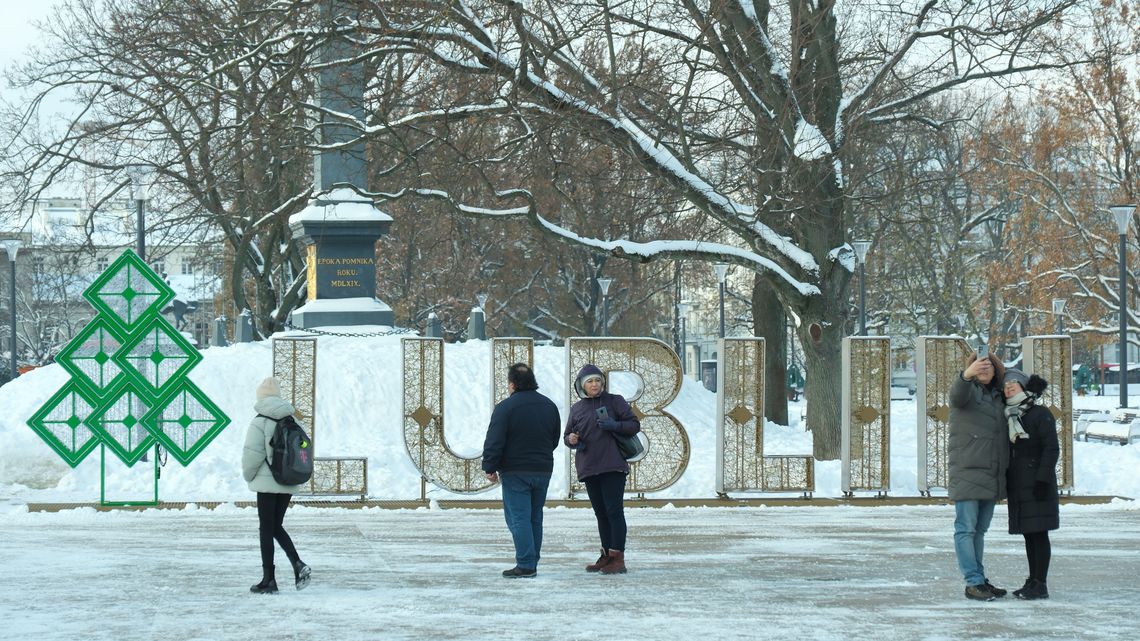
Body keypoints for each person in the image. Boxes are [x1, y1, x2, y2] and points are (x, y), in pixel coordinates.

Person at [481, 363, 561, 578]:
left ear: (512, 384)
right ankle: (532, 560)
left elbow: (495, 439)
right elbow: (554, 438)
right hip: (543, 469)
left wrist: (490, 466)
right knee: (535, 516)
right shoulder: (549, 406)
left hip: (515, 471)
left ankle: (525, 564)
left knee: (518, 518)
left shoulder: (506, 407)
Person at [564, 364, 641, 574]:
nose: (594, 384)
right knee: (601, 513)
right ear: (581, 386)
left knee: (614, 511)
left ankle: (618, 558)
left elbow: (634, 425)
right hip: (589, 467)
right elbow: (567, 436)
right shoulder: (577, 408)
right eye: (589, 381)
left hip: (612, 465)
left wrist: (614, 425)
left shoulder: (615, 401)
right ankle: (606, 555)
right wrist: (571, 439)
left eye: (597, 380)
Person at [948, 352, 1009, 601]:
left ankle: (980, 579)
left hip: (991, 473)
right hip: (968, 470)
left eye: (989, 366)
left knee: (979, 531)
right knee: (965, 529)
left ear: (996, 371)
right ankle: (972, 581)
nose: (984, 369)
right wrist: (966, 375)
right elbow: (956, 395)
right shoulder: (967, 391)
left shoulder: (998, 397)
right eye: (979, 365)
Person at [242, 377, 311, 594]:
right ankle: (297, 564)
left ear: (260, 397)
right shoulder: (292, 420)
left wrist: (249, 476)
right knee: (275, 526)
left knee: (266, 528)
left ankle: (268, 580)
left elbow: (252, 455)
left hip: (266, 482)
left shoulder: (259, 421)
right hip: (288, 479)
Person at [1001, 368, 1059, 600]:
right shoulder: (1009, 415)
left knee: (1039, 534)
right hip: (1018, 483)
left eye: (1013, 384)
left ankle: (1040, 583)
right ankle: (1032, 579)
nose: (1009, 388)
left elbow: (1051, 448)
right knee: (1028, 534)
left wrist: (1043, 478)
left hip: (1037, 482)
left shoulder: (1040, 413)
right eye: (1005, 386)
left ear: (1025, 387)